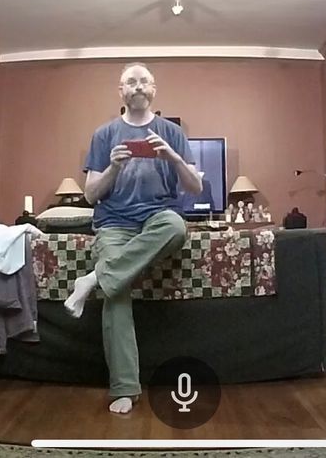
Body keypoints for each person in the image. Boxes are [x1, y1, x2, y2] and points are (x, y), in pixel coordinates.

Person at [62, 62, 202, 414]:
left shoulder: (172, 132)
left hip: (158, 219)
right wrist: (113, 167)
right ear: (120, 91)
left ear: (153, 89)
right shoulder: (104, 134)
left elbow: (195, 187)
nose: (138, 86)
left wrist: (173, 157)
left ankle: (93, 278)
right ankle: (124, 387)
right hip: (114, 223)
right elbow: (90, 196)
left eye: (144, 81)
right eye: (130, 82)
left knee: (176, 226)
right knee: (117, 290)